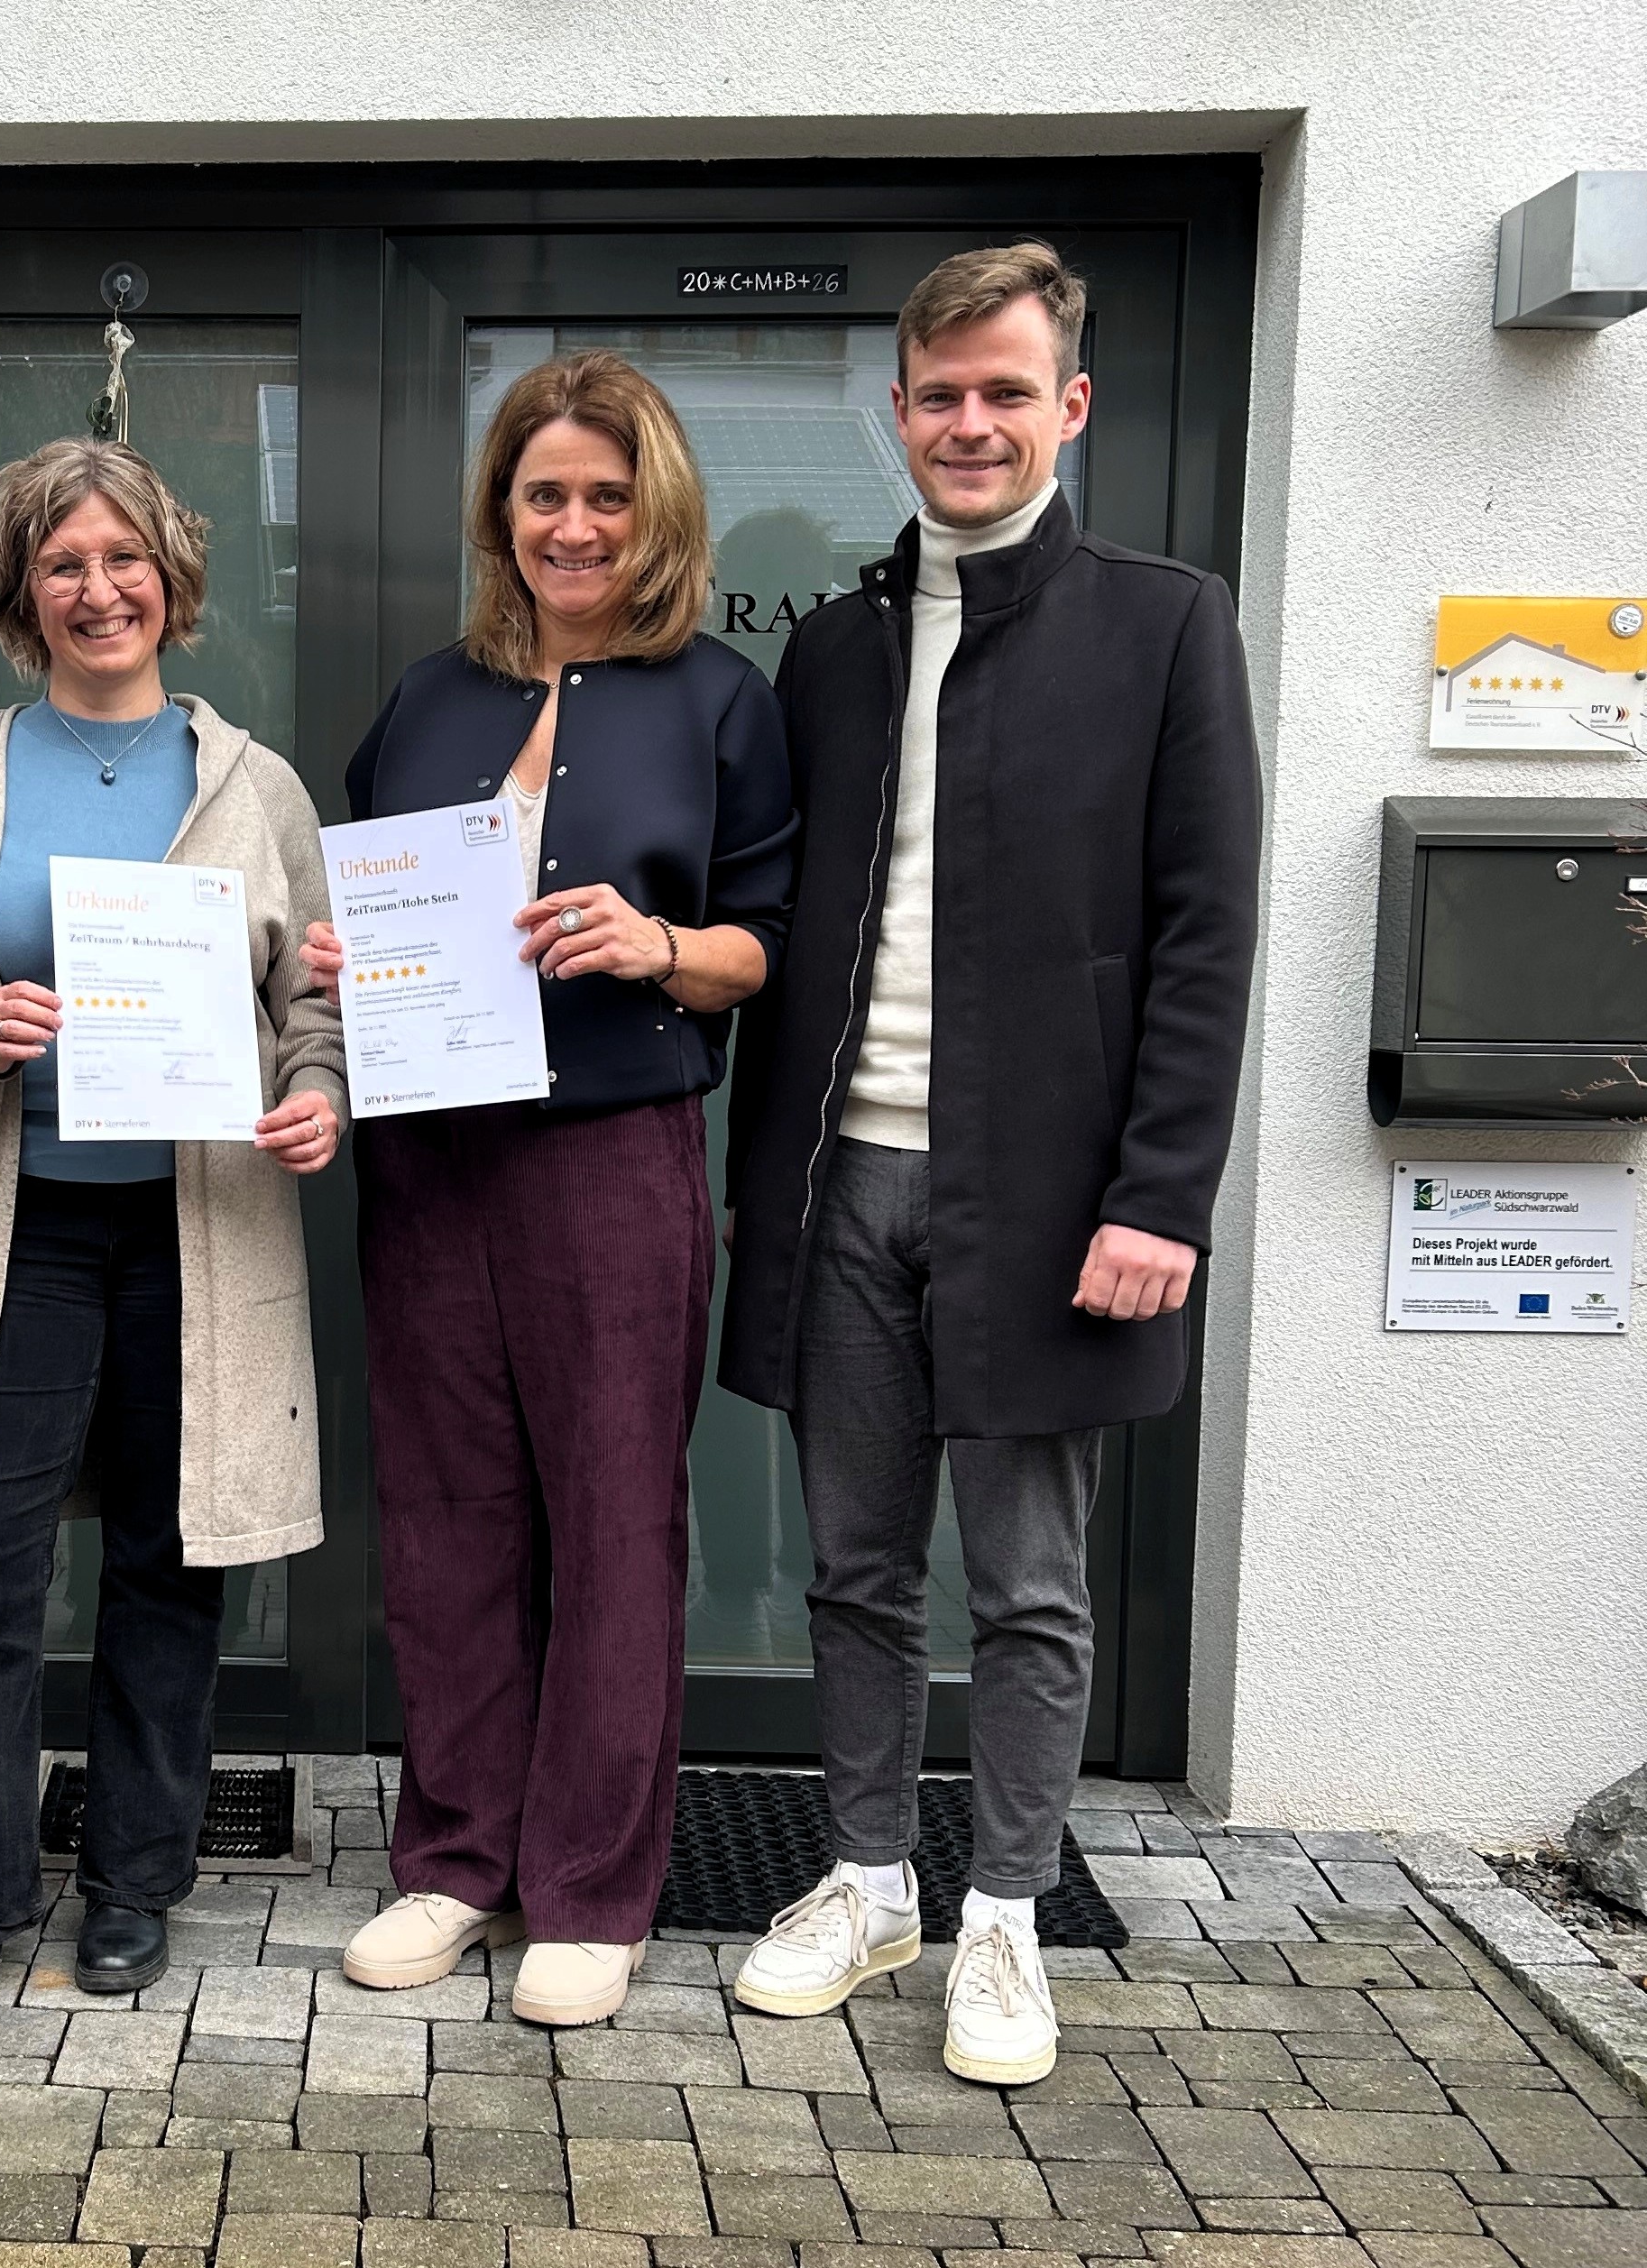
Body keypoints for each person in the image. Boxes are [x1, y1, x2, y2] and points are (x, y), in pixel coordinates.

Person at [722, 243, 1261, 2086]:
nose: (971, 422)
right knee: (856, 1568)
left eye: (1006, 392)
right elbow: (787, 923)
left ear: (1069, 406)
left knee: (1028, 1586)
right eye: (940, 394)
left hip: (1044, 1202)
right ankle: (872, 1881)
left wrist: (1161, 1193)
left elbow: (1205, 935)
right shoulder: (836, 646)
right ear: (898, 413)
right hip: (845, 1183)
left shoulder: (1165, 626)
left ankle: (1010, 1912)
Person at [312, 353, 796, 2026]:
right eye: (543, 495)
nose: (573, 525)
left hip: (610, 1153)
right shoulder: (428, 696)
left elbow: (767, 947)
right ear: (500, 513)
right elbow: (370, 911)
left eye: (606, 495)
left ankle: (591, 1887)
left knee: (610, 1515)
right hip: (429, 1156)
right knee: (448, 1512)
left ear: (656, 511)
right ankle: (456, 1859)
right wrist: (345, 957)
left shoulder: (720, 701)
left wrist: (657, 943)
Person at [0, 436, 345, 2025]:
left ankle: (134, 1882)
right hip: (23, 1229)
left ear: (171, 580)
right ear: (21, 593)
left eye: (124, 558)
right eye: (62, 563)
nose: (97, 588)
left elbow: (314, 997)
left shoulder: (256, 787)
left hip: (202, 1235)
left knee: (169, 1561)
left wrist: (318, 1093)